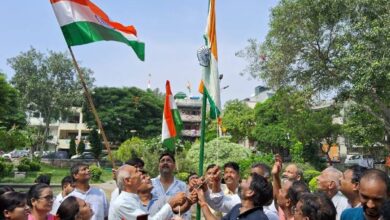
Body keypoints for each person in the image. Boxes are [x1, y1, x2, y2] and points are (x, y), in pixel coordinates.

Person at [108, 164, 187, 220]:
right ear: (128, 181)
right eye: (136, 171)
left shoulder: (134, 199)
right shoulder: (123, 203)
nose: (140, 174)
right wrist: (171, 203)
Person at [197, 173, 272, 220]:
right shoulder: (238, 208)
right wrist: (203, 202)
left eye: (246, 181)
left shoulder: (258, 218)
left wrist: (203, 203)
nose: (242, 181)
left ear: (250, 192)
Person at [151, 153, 190, 219]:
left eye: (168, 160)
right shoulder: (150, 183)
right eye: (162, 160)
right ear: (158, 166)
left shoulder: (182, 186)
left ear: (174, 166)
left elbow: (187, 212)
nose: (165, 162)